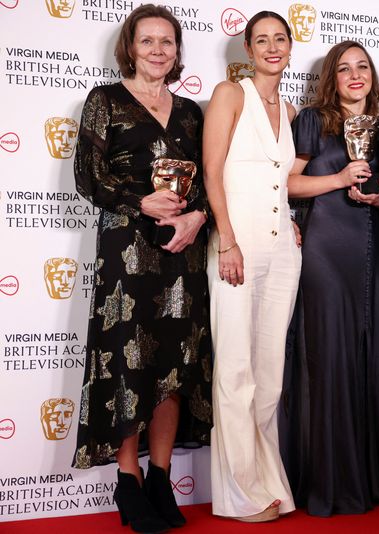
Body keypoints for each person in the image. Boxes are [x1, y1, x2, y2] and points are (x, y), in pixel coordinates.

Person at [71, 4, 212, 532]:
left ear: (177, 51)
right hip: (127, 252)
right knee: (128, 363)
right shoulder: (104, 100)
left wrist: (199, 216)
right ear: (130, 47)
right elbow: (89, 177)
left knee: (175, 367)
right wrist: (139, 202)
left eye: (167, 42)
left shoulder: (193, 111)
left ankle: (160, 477)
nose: (157, 50)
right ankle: (127, 481)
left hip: (183, 252)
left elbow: (209, 181)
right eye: (148, 41)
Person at [281, 40, 379, 516]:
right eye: (345, 69)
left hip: (374, 253)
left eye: (363, 67)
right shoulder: (313, 120)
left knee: (370, 358)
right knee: (330, 361)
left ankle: (369, 479)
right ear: (331, 78)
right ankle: (330, 484)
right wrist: (339, 178)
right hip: (325, 252)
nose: (356, 75)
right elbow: (286, 183)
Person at [203, 11, 302, 522]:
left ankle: (269, 482)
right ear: (247, 48)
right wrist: (225, 240)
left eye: (279, 39)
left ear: (290, 46)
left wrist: (291, 224)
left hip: (283, 249)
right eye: (261, 40)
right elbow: (212, 171)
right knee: (236, 370)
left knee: (270, 375)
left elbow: (283, 184)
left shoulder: (289, 108)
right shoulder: (229, 94)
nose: (271, 47)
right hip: (236, 245)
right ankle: (240, 492)